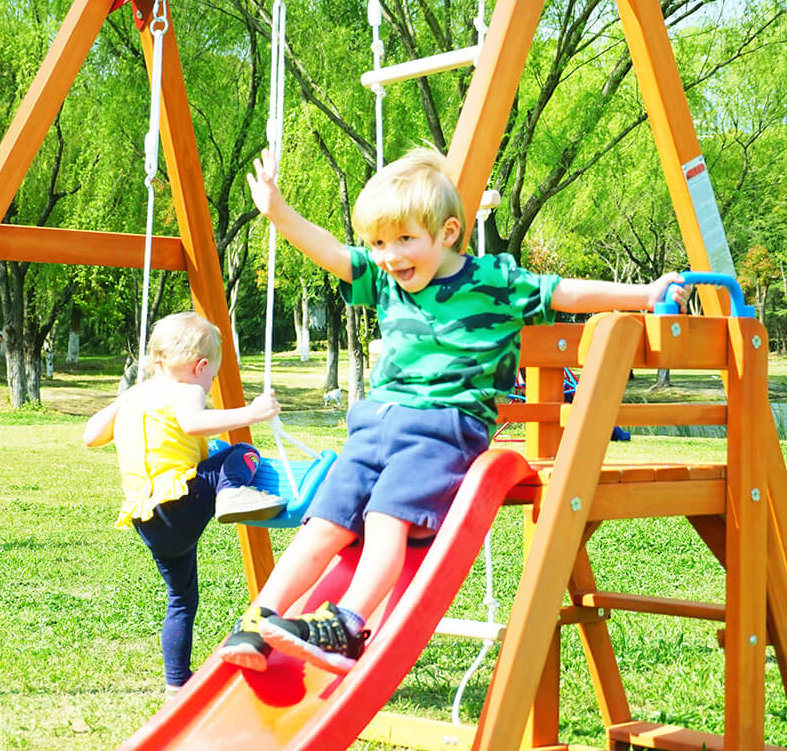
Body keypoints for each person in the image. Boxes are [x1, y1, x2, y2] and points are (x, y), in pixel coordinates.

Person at [219, 147, 690, 676]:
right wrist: (278, 211)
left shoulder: (494, 281)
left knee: (382, 521)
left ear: (445, 233)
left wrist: (644, 295)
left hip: (443, 427)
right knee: (323, 523)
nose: (389, 256)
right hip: (374, 423)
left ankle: (348, 626)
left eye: (403, 240)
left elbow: (568, 292)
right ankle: (261, 621)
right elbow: (329, 250)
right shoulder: (383, 281)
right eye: (377, 243)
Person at [83, 311, 283, 694]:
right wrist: (251, 413)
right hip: (181, 501)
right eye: (211, 377)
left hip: (149, 520)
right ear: (201, 366)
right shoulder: (188, 388)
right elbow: (192, 423)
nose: (208, 384)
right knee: (240, 451)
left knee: (181, 599)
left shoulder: (137, 394)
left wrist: (125, 399)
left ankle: (177, 683)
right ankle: (231, 493)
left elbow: (91, 436)